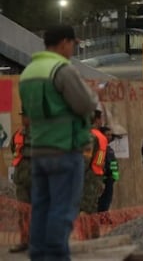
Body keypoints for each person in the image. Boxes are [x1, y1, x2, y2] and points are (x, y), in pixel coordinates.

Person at [18, 24, 98, 261]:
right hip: (64, 149)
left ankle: (39, 255)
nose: (74, 48)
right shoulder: (62, 70)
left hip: (38, 151)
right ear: (64, 42)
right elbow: (84, 104)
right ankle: (56, 256)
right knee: (62, 209)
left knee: (41, 207)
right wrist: (93, 96)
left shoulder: (29, 71)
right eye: (73, 44)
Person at [79, 109, 109, 238]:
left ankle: (87, 237)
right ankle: (95, 236)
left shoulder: (90, 136)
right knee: (93, 208)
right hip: (97, 175)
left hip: (88, 177)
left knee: (85, 209)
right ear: (96, 120)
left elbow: (85, 160)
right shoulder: (102, 137)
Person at [9, 111, 31, 254]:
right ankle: (25, 241)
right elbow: (13, 149)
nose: (23, 118)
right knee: (23, 213)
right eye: (22, 116)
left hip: (38, 180)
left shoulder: (40, 134)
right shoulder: (17, 134)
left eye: (26, 116)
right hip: (22, 181)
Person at [97, 124, 125, 215]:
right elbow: (98, 164)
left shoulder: (109, 149)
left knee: (107, 200)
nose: (109, 137)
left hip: (110, 180)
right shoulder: (100, 149)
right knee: (101, 202)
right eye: (107, 135)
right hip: (103, 180)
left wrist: (114, 177)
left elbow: (113, 164)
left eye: (110, 135)